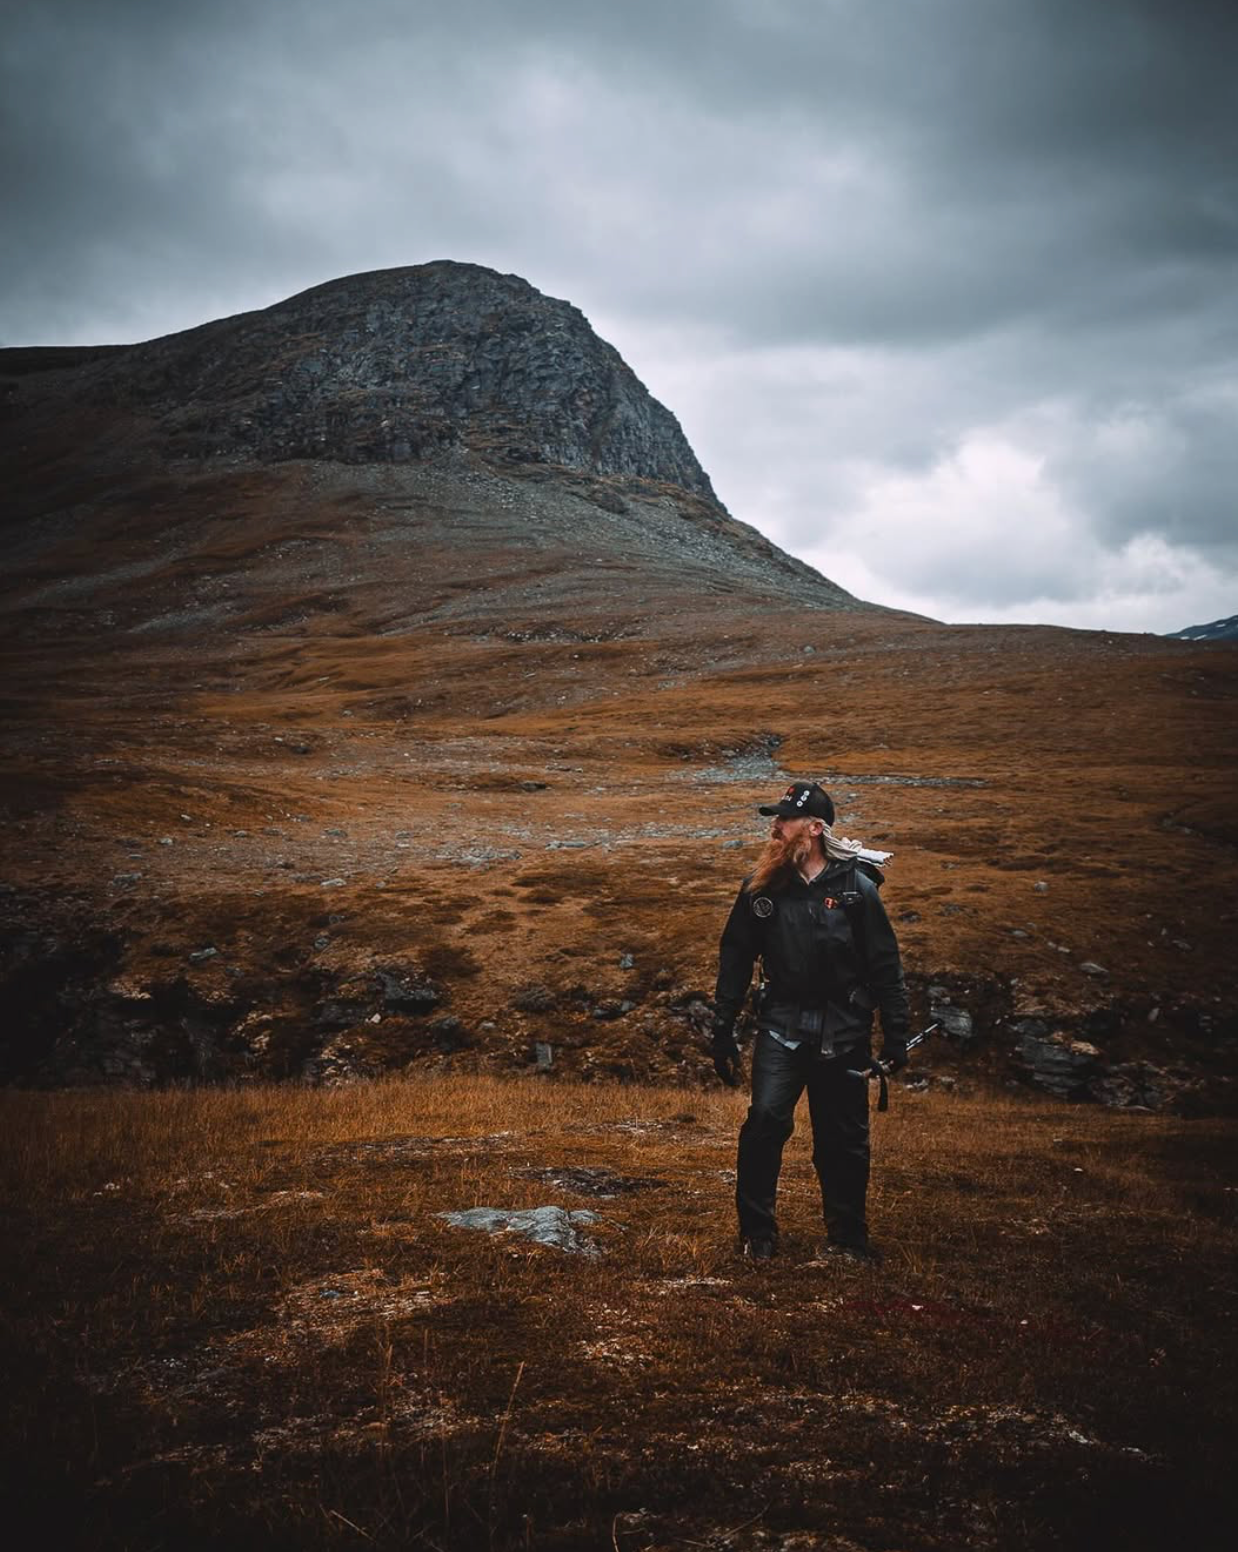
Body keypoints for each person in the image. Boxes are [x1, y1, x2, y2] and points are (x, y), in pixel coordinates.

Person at [710, 781, 909, 1264]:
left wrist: (897, 1033)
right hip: (781, 1025)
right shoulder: (761, 887)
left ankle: (847, 1240)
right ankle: (757, 1236)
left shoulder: (857, 891)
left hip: (844, 1031)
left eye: (785, 819)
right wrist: (722, 1027)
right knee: (764, 1124)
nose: (775, 827)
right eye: (775, 818)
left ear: (815, 829)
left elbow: (885, 964)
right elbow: (736, 956)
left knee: (842, 1138)